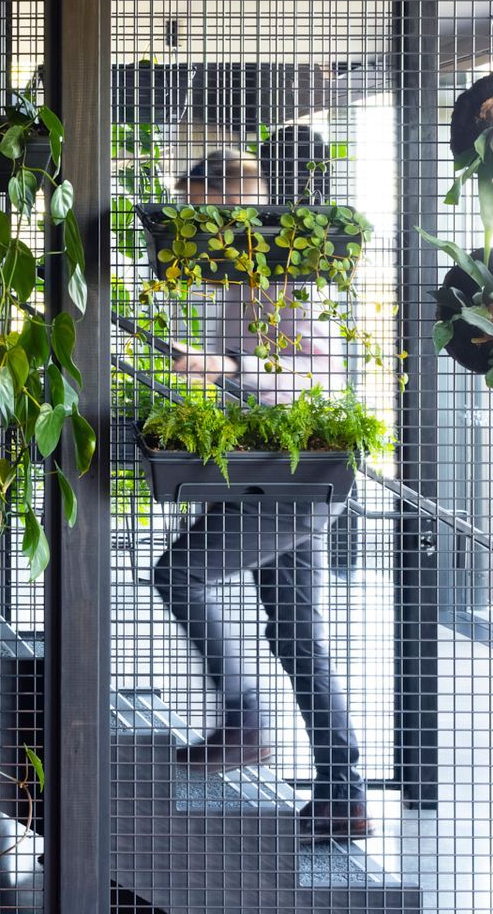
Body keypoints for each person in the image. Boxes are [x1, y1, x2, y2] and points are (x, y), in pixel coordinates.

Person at [149, 145, 371, 844]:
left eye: (198, 207)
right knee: (298, 637)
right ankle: (345, 794)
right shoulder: (239, 272)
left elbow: (320, 374)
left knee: (178, 571)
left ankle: (243, 717)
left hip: (299, 474)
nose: (193, 224)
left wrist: (226, 364)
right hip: (267, 467)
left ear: (234, 192)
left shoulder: (293, 261)